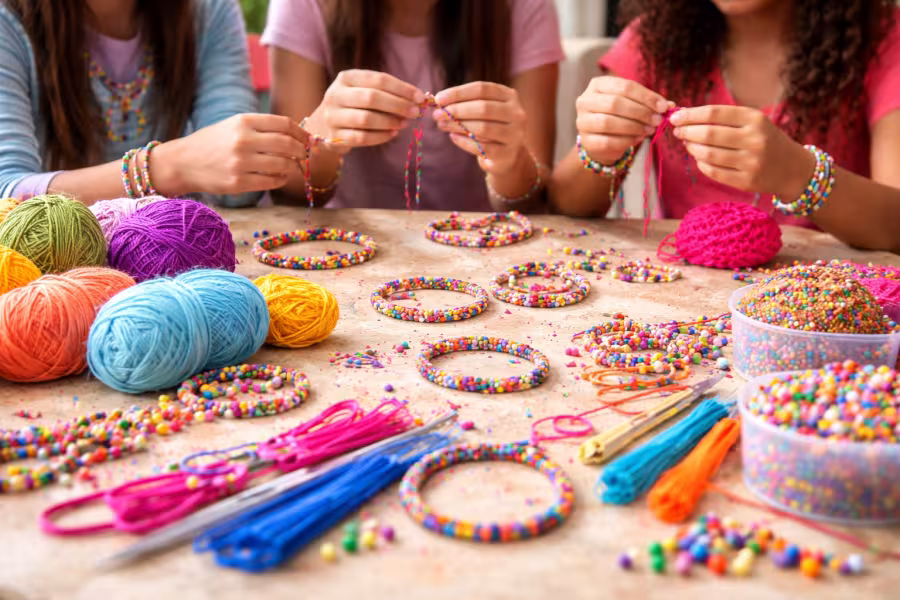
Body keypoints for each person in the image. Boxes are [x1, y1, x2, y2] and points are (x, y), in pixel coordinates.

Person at [550, 0, 900, 252]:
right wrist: (599, 149)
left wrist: (798, 174)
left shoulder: (882, 38)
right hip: (682, 302)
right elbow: (566, 206)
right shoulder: (654, 41)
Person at [261, 0, 564, 212]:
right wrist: (321, 138)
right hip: (344, 238)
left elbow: (534, 200)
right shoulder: (303, 5)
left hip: (485, 243)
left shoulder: (524, 7)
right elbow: (291, 194)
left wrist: (510, 162)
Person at [0, 0, 309, 206]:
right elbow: (7, 199)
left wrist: (303, 146)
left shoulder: (207, 10)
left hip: (179, 262)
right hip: (53, 278)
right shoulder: (8, 20)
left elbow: (238, 188)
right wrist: (168, 167)